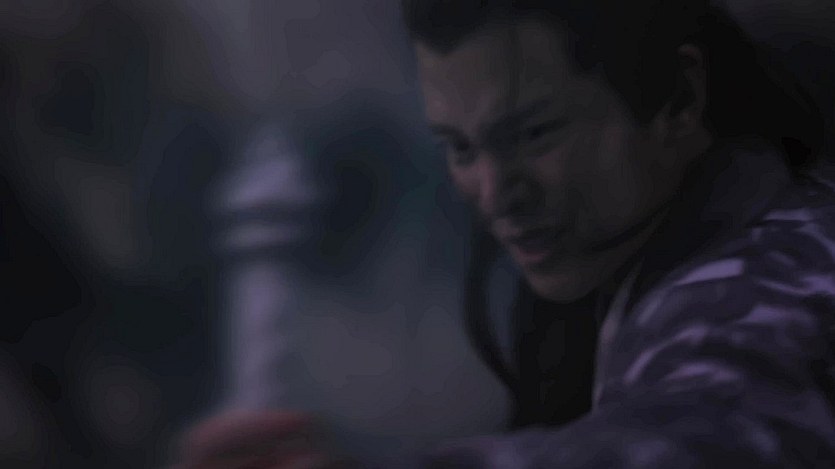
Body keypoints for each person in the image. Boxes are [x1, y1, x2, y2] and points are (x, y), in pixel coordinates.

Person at [176, 1, 835, 467]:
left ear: (678, 100)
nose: (494, 195)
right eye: (460, 148)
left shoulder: (765, 281)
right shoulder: (651, 249)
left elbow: (704, 435)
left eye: (534, 134)